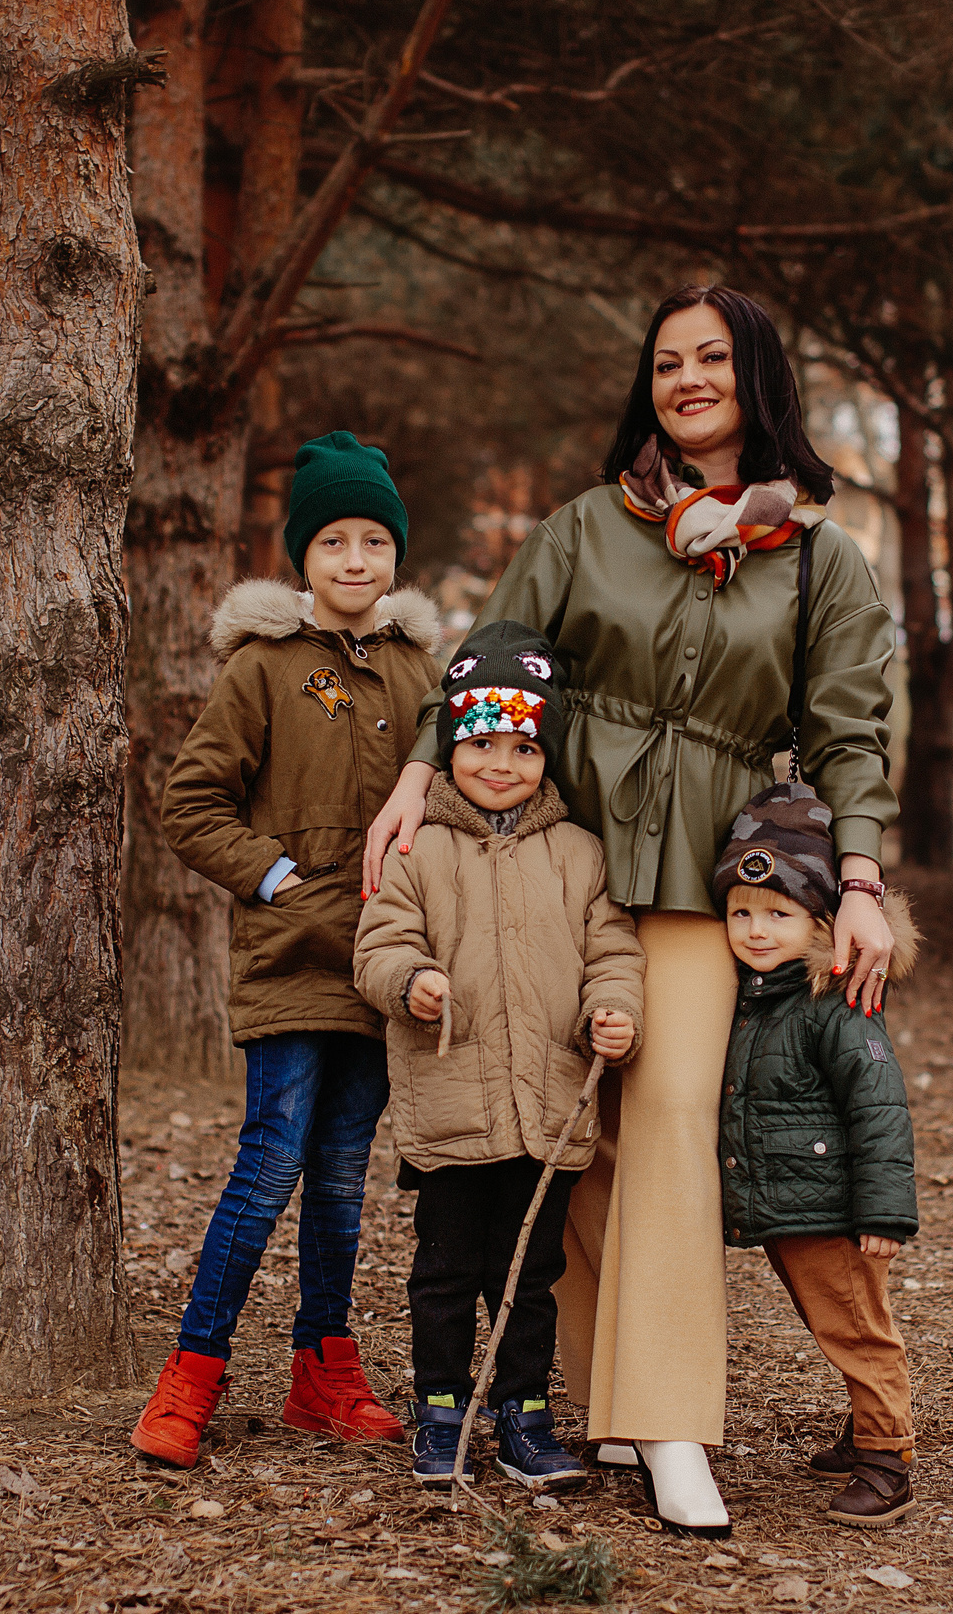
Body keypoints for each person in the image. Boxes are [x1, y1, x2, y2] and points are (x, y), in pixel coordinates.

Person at [364, 285, 900, 1535]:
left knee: (661, 1125)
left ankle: (668, 1422)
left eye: (712, 358)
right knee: (572, 1134)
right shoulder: (586, 527)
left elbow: (849, 732)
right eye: (667, 362)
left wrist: (860, 879)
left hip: (705, 878)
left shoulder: (819, 556)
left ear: (755, 377)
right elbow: (493, 656)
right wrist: (414, 777)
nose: (687, 378)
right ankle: (596, 1401)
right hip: (549, 860)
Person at [129, 431, 441, 1470]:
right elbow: (189, 801)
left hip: (380, 965)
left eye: (373, 541)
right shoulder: (261, 669)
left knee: (344, 1177)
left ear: (395, 553)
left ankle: (324, 1368)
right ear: (301, 558)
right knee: (269, 1165)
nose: (355, 561)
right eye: (333, 543)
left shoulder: (417, 672)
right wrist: (275, 878)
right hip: (288, 957)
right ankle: (191, 1375)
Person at [353, 620, 646, 1489]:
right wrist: (411, 981)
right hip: (452, 1100)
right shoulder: (420, 848)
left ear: (547, 754)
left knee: (532, 1274)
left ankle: (524, 1415)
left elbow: (613, 951)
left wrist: (614, 1009)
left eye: (523, 745)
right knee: (445, 1271)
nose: (500, 762)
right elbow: (377, 944)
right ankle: (441, 1412)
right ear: (450, 746)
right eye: (481, 741)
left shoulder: (579, 853)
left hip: (549, 1106)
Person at [710, 782, 921, 1527]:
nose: (757, 929)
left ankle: (886, 1455)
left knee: (856, 1321)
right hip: (791, 1201)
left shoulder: (833, 1001)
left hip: (833, 1204)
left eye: (778, 914)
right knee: (833, 1317)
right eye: (741, 912)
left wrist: (885, 1211)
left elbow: (878, 1103)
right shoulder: (751, 994)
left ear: (819, 920)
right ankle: (863, 1423)